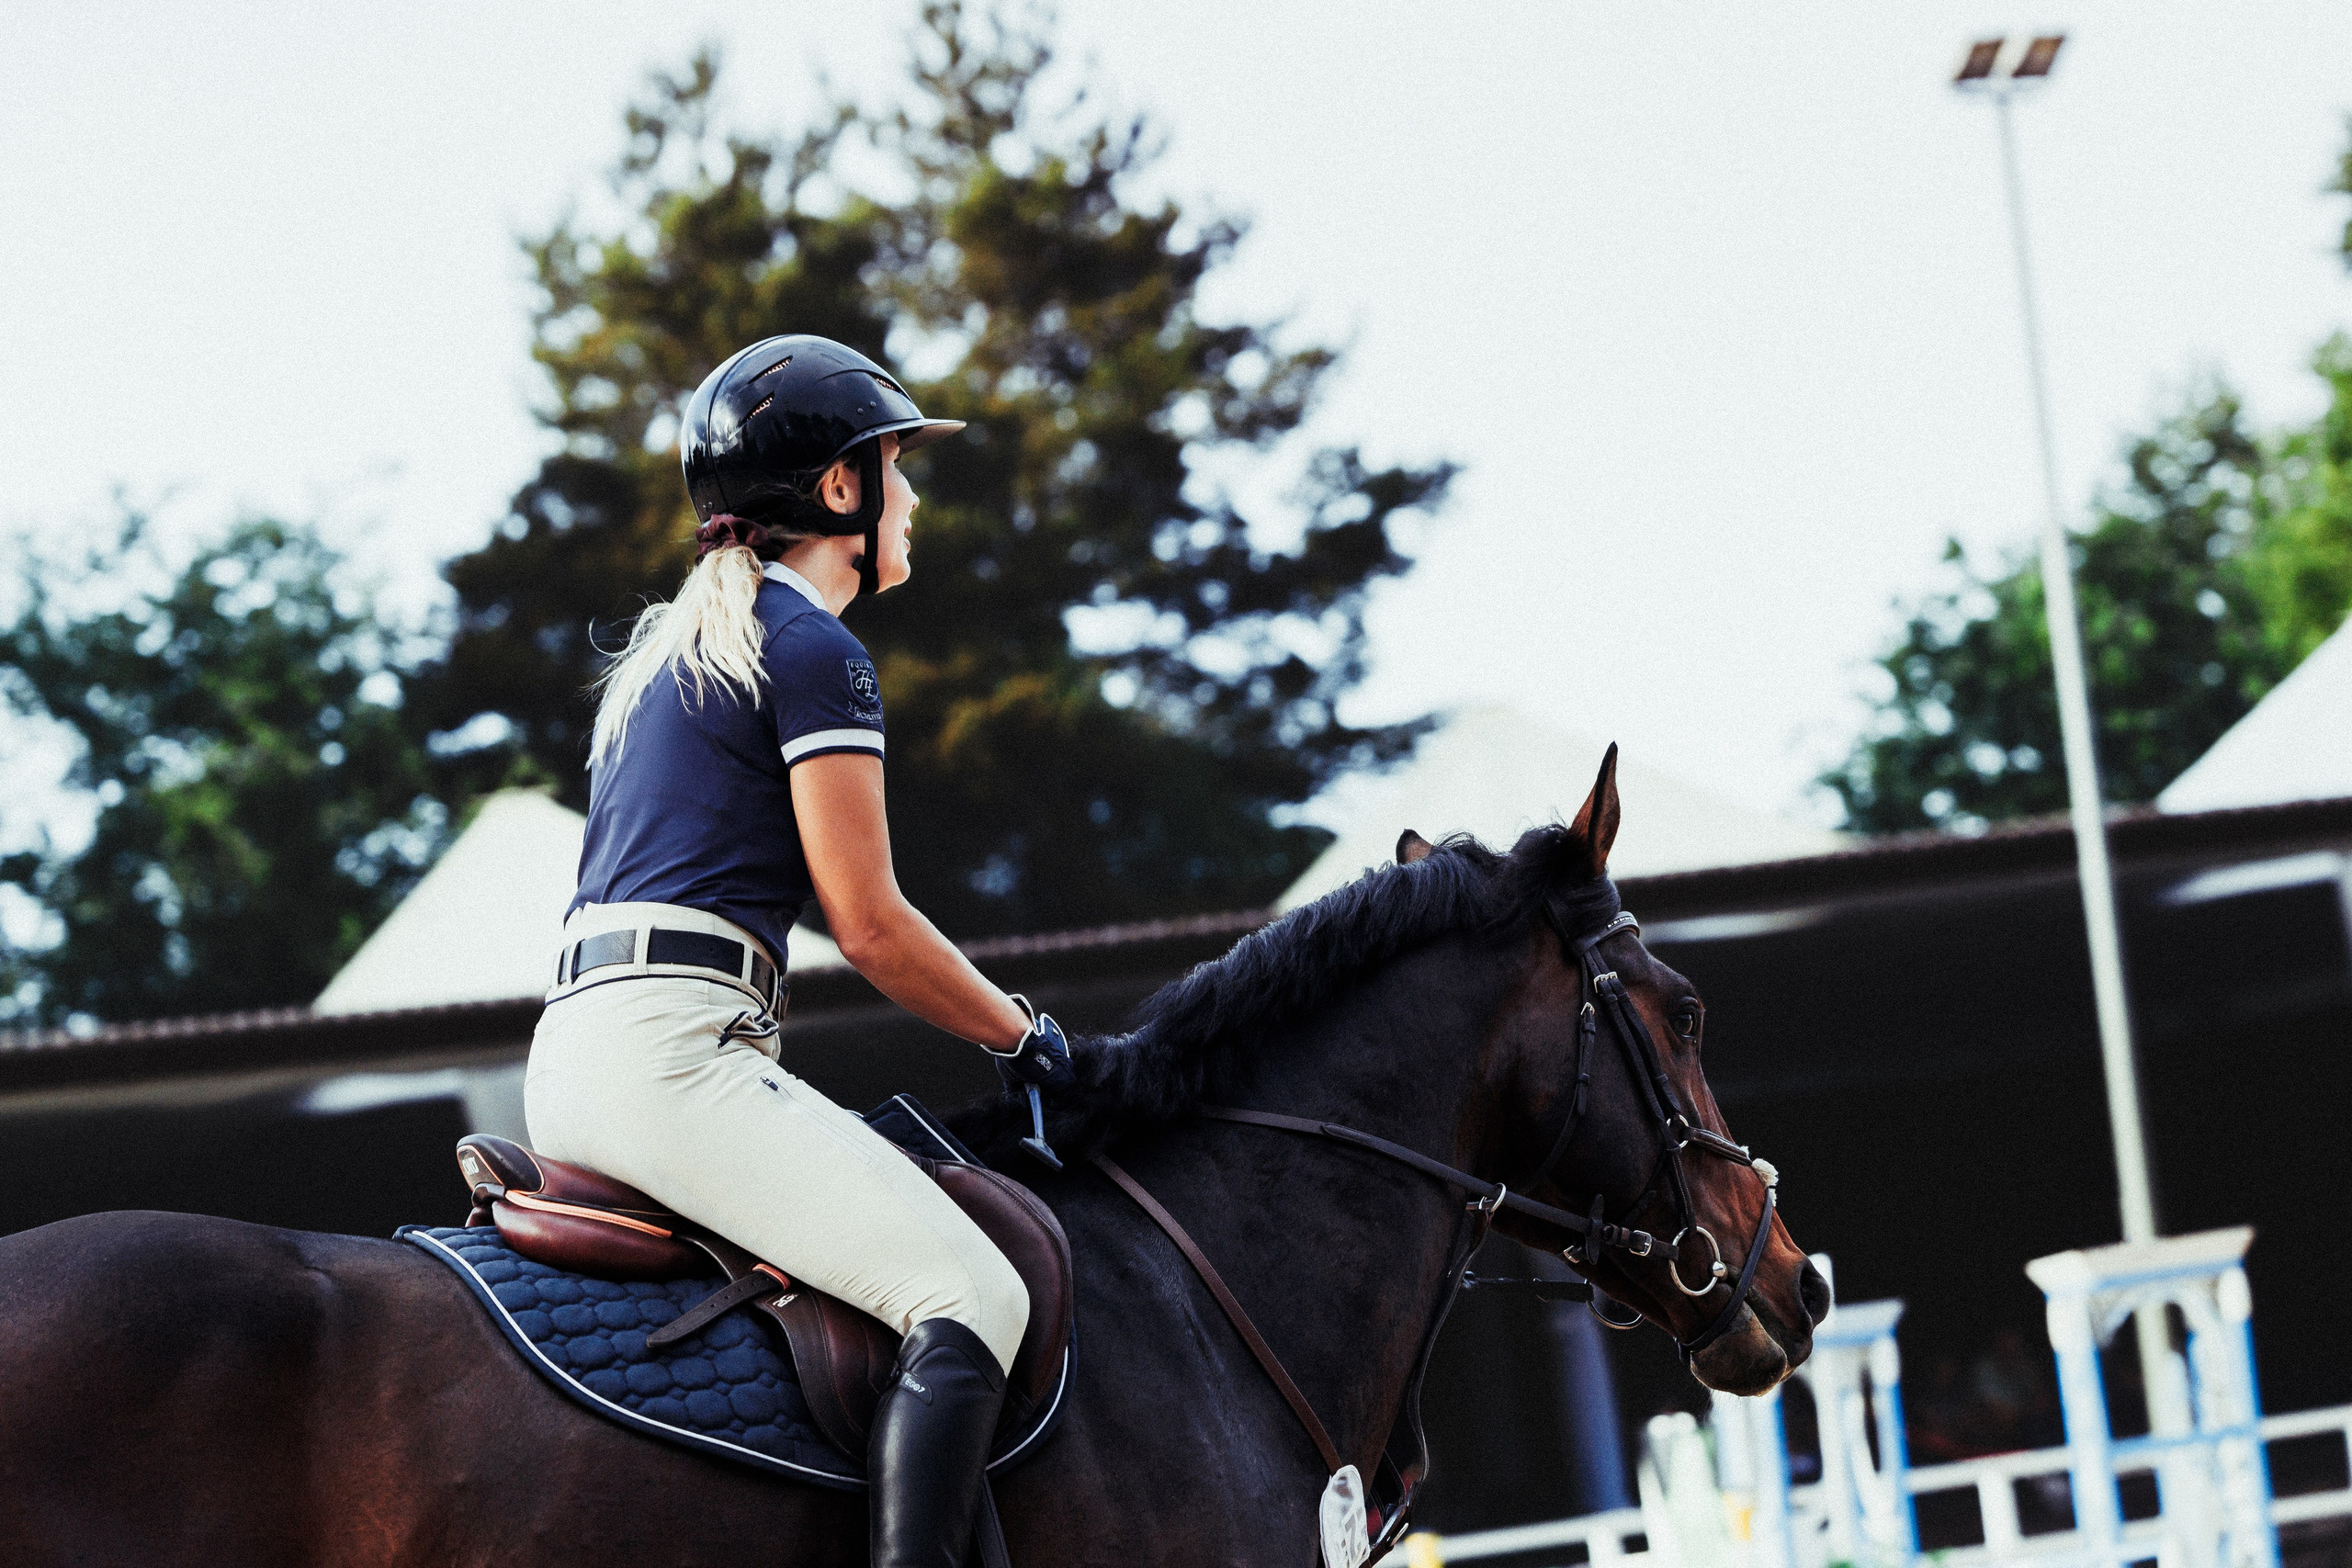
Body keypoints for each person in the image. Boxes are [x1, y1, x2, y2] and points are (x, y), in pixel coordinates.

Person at [524, 333, 1077, 1568]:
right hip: (674, 1060)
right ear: (841, 492)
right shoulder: (813, 648)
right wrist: (1027, 1034)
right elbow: (872, 927)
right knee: (975, 1295)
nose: (915, 499)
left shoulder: (672, 655)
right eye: (898, 469)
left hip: (579, 1051)